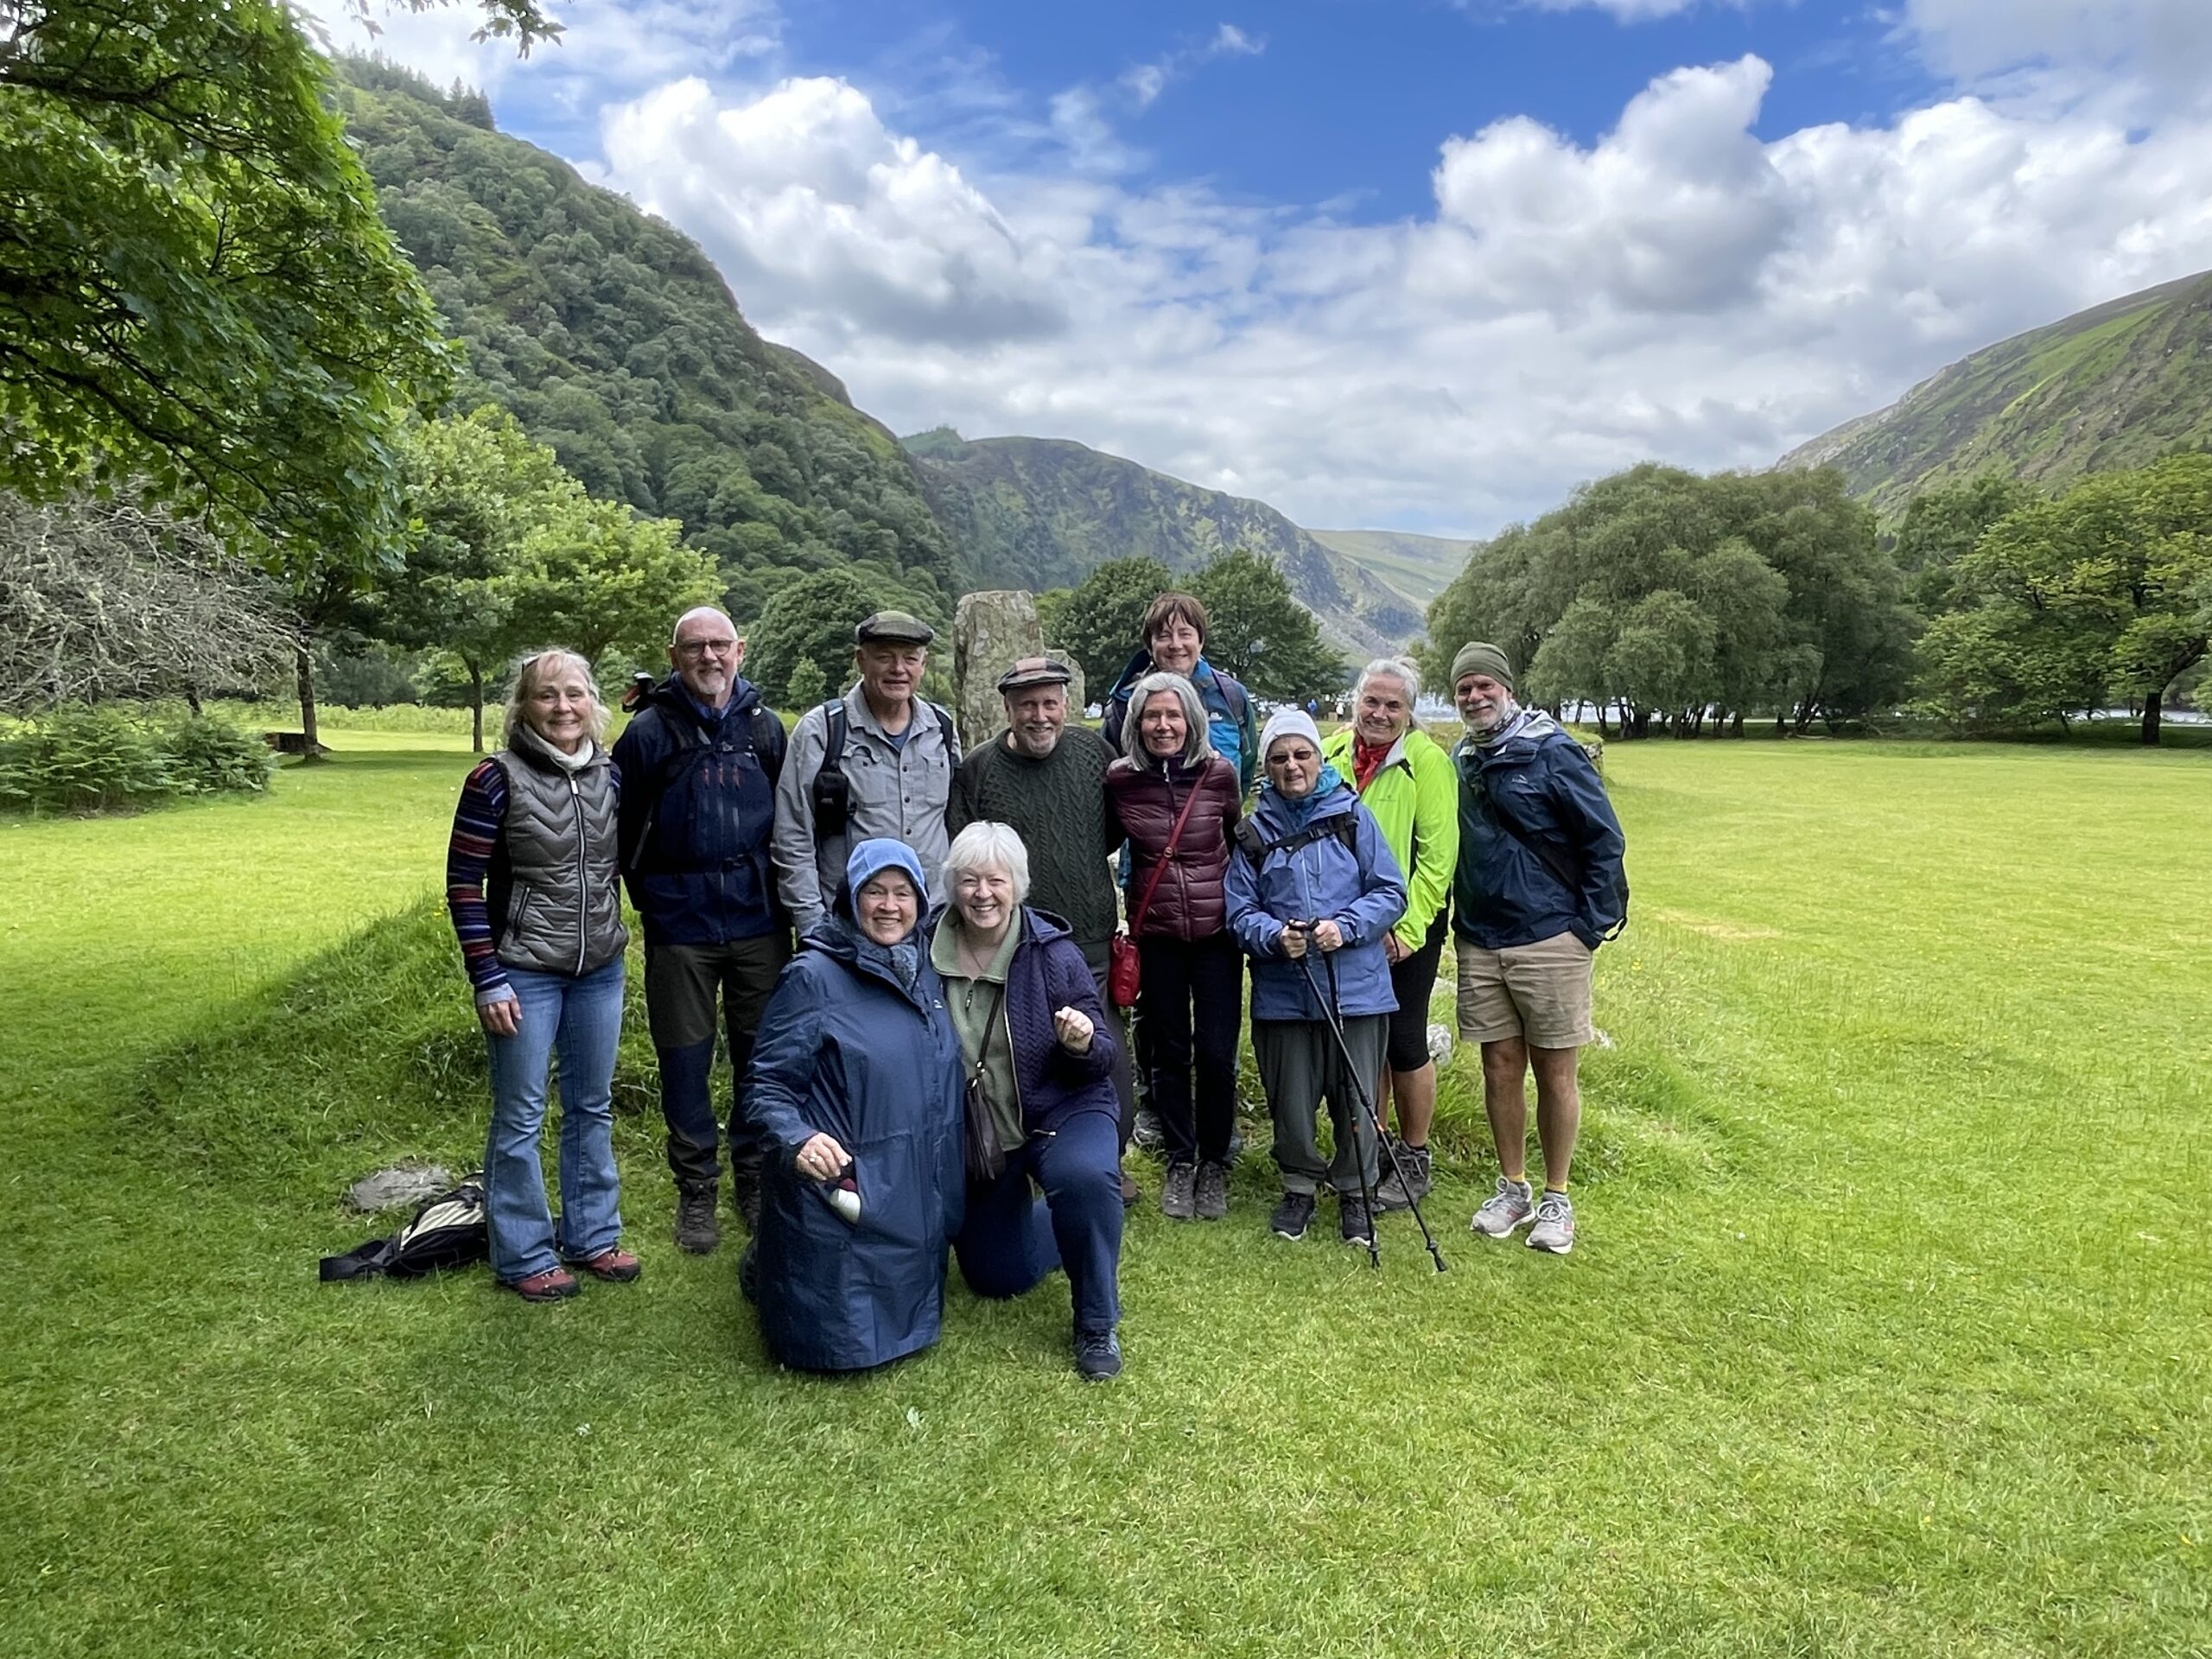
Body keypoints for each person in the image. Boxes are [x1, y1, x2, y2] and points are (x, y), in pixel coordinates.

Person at [444, 649, 637, 1301]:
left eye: (575, 694)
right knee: (521, 1115)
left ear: (594, 702)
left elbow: (612, 867)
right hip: (522, 972)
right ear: (523, 707)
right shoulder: (493, 779)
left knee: (591, 1105)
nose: (563, 708)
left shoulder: (610, 775)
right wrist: (486, 977)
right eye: (547, 696)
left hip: (599, 969)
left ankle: (592, 1236)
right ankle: (524, 1253)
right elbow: (463, 884)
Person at [740, 840, 965, 1371]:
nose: (890, 906)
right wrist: (798, 1138)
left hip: (910, 1182)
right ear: (850, 899)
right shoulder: (812, 977)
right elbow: (767, 1086)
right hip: (844, 1183)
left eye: (903, 893)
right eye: (875, 892)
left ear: (920, 903)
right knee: (841, 1343)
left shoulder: (924, 970)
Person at [612, 606, 789, 1256]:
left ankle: (754, 1175)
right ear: (674, 654)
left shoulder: (766, 730)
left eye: (720, 646)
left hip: (759, 921)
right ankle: (695, 1188)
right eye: (696, 648)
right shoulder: (648, 733)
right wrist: (650, 903)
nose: (709, 658)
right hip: (679, 925)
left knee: (761, 1057)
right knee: (683, 1058)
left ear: (740, 650)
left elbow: (788, 823)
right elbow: (620, 833)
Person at [1450, 642, 1628, 1257]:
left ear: (1507, 688)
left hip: (1551, 936)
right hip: (1480, 937)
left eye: (1484, 686)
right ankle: (1512, 1188)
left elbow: (1604, 840)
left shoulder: (1553, 752)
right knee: (1498, 1064)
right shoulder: (1461, 760)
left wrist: (1587, 927)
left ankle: (1557, 1196)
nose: (1475, 697)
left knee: (1555, 1068)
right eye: (1464, 689)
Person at [933, 823, 1128, 1380]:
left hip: (1064, 1108)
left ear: (1016, 885)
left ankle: (1096, 1323)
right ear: (953, 885)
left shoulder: (1053, 953)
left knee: (1085, 1176)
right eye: (969, 881)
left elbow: (1103, 1052)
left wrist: (1083, 1041)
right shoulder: (924, 951)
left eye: (996, 880)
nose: (982, 894)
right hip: (982, 1131)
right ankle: (1081, 1221)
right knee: (996, 1275)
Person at [950, 657, 1139, 1202]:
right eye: (1027, 704)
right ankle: (1020, 1155)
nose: (1039, 716)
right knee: (1020, 1048)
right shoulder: (980, 769)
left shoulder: (1095, 755)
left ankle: (1107, 1156)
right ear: (1007, 708)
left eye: (1050, 703)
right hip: (1007, 939)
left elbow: (1112, 829)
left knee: (1099, 1046)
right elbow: (967, 850)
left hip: (1088, 936)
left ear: (1066, 705)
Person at [1225, 710, 1407, 1247]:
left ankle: (1356, 1191)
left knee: (1356, 1098)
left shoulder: (1353, 816)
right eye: (1279, 757)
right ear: (1268, 767)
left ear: (1318, 757)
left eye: (1301, 754)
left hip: (1356, 988)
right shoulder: (1253, 832)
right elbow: (1239, 911)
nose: (1292, 766)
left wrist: (1345, 928)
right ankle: (1299, 1186)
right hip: (1284, 993)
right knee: (1291, 1100)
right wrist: (1275, 936)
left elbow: (1389, 891)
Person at [1318, 656, 1459, 1211]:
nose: (1379, 713)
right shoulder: (1328, 754)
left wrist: (1409, 929)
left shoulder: (1427, 762)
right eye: (1371, 701)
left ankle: (1415, 1155)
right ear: (1355, 701)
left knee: (1403, 1040)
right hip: (1346, 925)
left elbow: (1439, 858)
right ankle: (1368, 1154)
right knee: (1362, 1043)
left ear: (1409, 712)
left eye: (1392, 705)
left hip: (1404, 926)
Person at [1103, 671, 1243, 1222]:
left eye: (1173, 715)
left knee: (1214, 1053)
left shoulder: (1219, 774)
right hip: (1155, 937)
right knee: (1167, 1054)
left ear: (1192, 720)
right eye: (1152, 716)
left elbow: (1238, 843)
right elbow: (1104, 843)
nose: (1163, 726)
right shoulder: (1121, 780)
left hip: (1216, 937)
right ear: (1137, 723)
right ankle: (1180, 1160)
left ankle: (1215, 1161)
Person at [772, 610, 961, 938]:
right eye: (885, 658)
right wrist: (814, 927)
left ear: (924, 665)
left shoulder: (941, 728)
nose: (898, 669)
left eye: (910, 659)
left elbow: (954, 822)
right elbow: (792, 835)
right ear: (860, 660)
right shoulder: (823, 730)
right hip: (848, 927)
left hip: (931, 927)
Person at [1100, 591, 1261, 796]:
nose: (1176, 645)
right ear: (1150, 646)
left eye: (1185, 634)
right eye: (1164, 636)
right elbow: (1109, 776)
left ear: (1201, 641)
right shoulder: (1124, 705)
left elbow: (1246, 767)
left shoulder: (1232, 696)